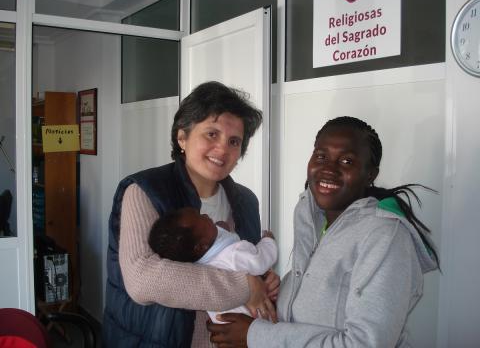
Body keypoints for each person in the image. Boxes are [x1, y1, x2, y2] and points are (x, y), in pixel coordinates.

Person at [207, 116, 440, 347]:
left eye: (347, 161)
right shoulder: (314, 220)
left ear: (370, 174)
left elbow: (365, 343)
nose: (328, 169)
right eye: (321, 156)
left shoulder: (386, 237)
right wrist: (275, 294)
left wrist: (255, 336)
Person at [102, 81, 280, 347]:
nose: (223, 149)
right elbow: (143, 280)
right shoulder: (145, 191)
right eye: (211, 134)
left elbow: (243, 262)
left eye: (234, 141)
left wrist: (265, 280)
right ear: (182, 137)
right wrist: (245, 287)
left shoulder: (245, 201)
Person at [148, 206, 278, 323]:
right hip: (258, 325)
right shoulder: (233, 254)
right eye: (200, 218)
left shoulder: (202, 270)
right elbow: (260, 260)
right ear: (201, 246)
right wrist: (268, 240)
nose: (205, 215)